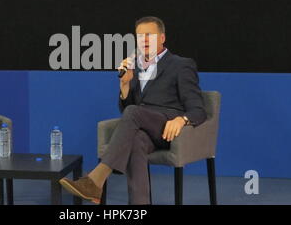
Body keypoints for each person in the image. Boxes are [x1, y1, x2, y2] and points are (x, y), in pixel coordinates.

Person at [59, 16, 207, 204]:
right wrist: (125, 84)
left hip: (169, 129)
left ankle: (96, 179)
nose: (144, 40)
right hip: (144, 127)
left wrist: (182, 120)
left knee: (133, 112)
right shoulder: (135, 66)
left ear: (162, 38)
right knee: (136, 141)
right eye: (139, 36)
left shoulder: (181, 65)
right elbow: (126, 109)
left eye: (149, 35)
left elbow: (198, 109)